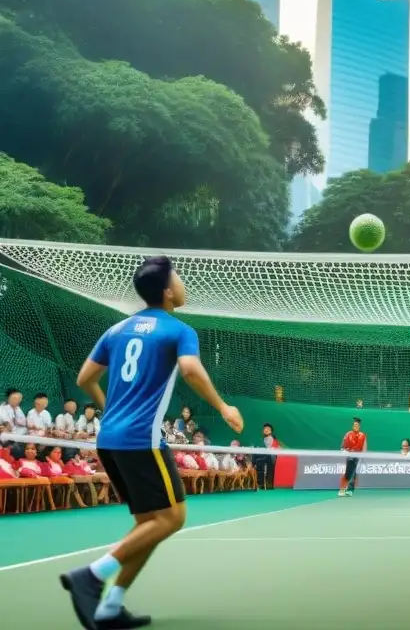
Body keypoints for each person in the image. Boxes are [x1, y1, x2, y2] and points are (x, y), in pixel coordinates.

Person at [59, 256, 244, 629]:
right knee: (173, 517)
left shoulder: (116, 330)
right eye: (178, 277)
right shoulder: (178, 330)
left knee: (148, 525)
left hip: (110, 439)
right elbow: (190, 370)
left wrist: (110, 409)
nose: (182, 283)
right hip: (141, 440)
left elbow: (84, 379)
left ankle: (111, 605)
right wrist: (224, 407)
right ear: (167, 291)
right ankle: (93, 576)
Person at [339, 417, 366, 497]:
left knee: (354, 473)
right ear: (352, 426)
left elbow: (364, 447)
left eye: (357, 425)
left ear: (359, 426)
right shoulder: (348, 434)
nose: (356, 426)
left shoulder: (362, 435)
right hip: (349, 456)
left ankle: (350, 490)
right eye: (354, 425)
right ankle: (342, 489)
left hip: (357, 457)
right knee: (347, 473)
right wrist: (345, 452)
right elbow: (343, 447)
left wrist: (363, 455)